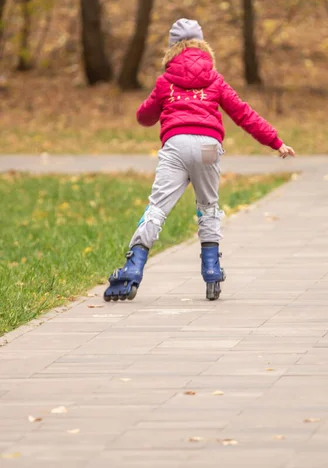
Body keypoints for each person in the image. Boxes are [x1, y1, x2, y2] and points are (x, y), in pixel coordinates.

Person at [104, 18, 295, 302]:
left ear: (173, 48)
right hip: (208, 147)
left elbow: (144, 115)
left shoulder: (166, 81)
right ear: (203, 46)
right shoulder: (215, 79)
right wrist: (275, 142)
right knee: (208, 207)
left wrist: (154, 110)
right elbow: (244, 114)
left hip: (176, 146)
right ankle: (211, 271)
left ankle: (132, 269)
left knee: (158, 208)